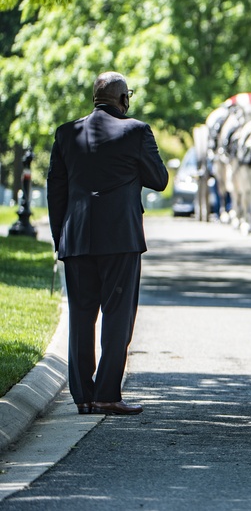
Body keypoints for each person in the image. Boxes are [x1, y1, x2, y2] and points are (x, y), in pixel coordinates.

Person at [47, 72, 169, 415]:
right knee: (117, 316)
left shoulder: (66, 133)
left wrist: (61, 239)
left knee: (81, 317)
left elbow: (56, 191)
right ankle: (107, 394)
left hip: (76, 237)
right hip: (120, 239)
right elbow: (159, 180)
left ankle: (83, 396)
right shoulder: (136, 131)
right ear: (124, 100)